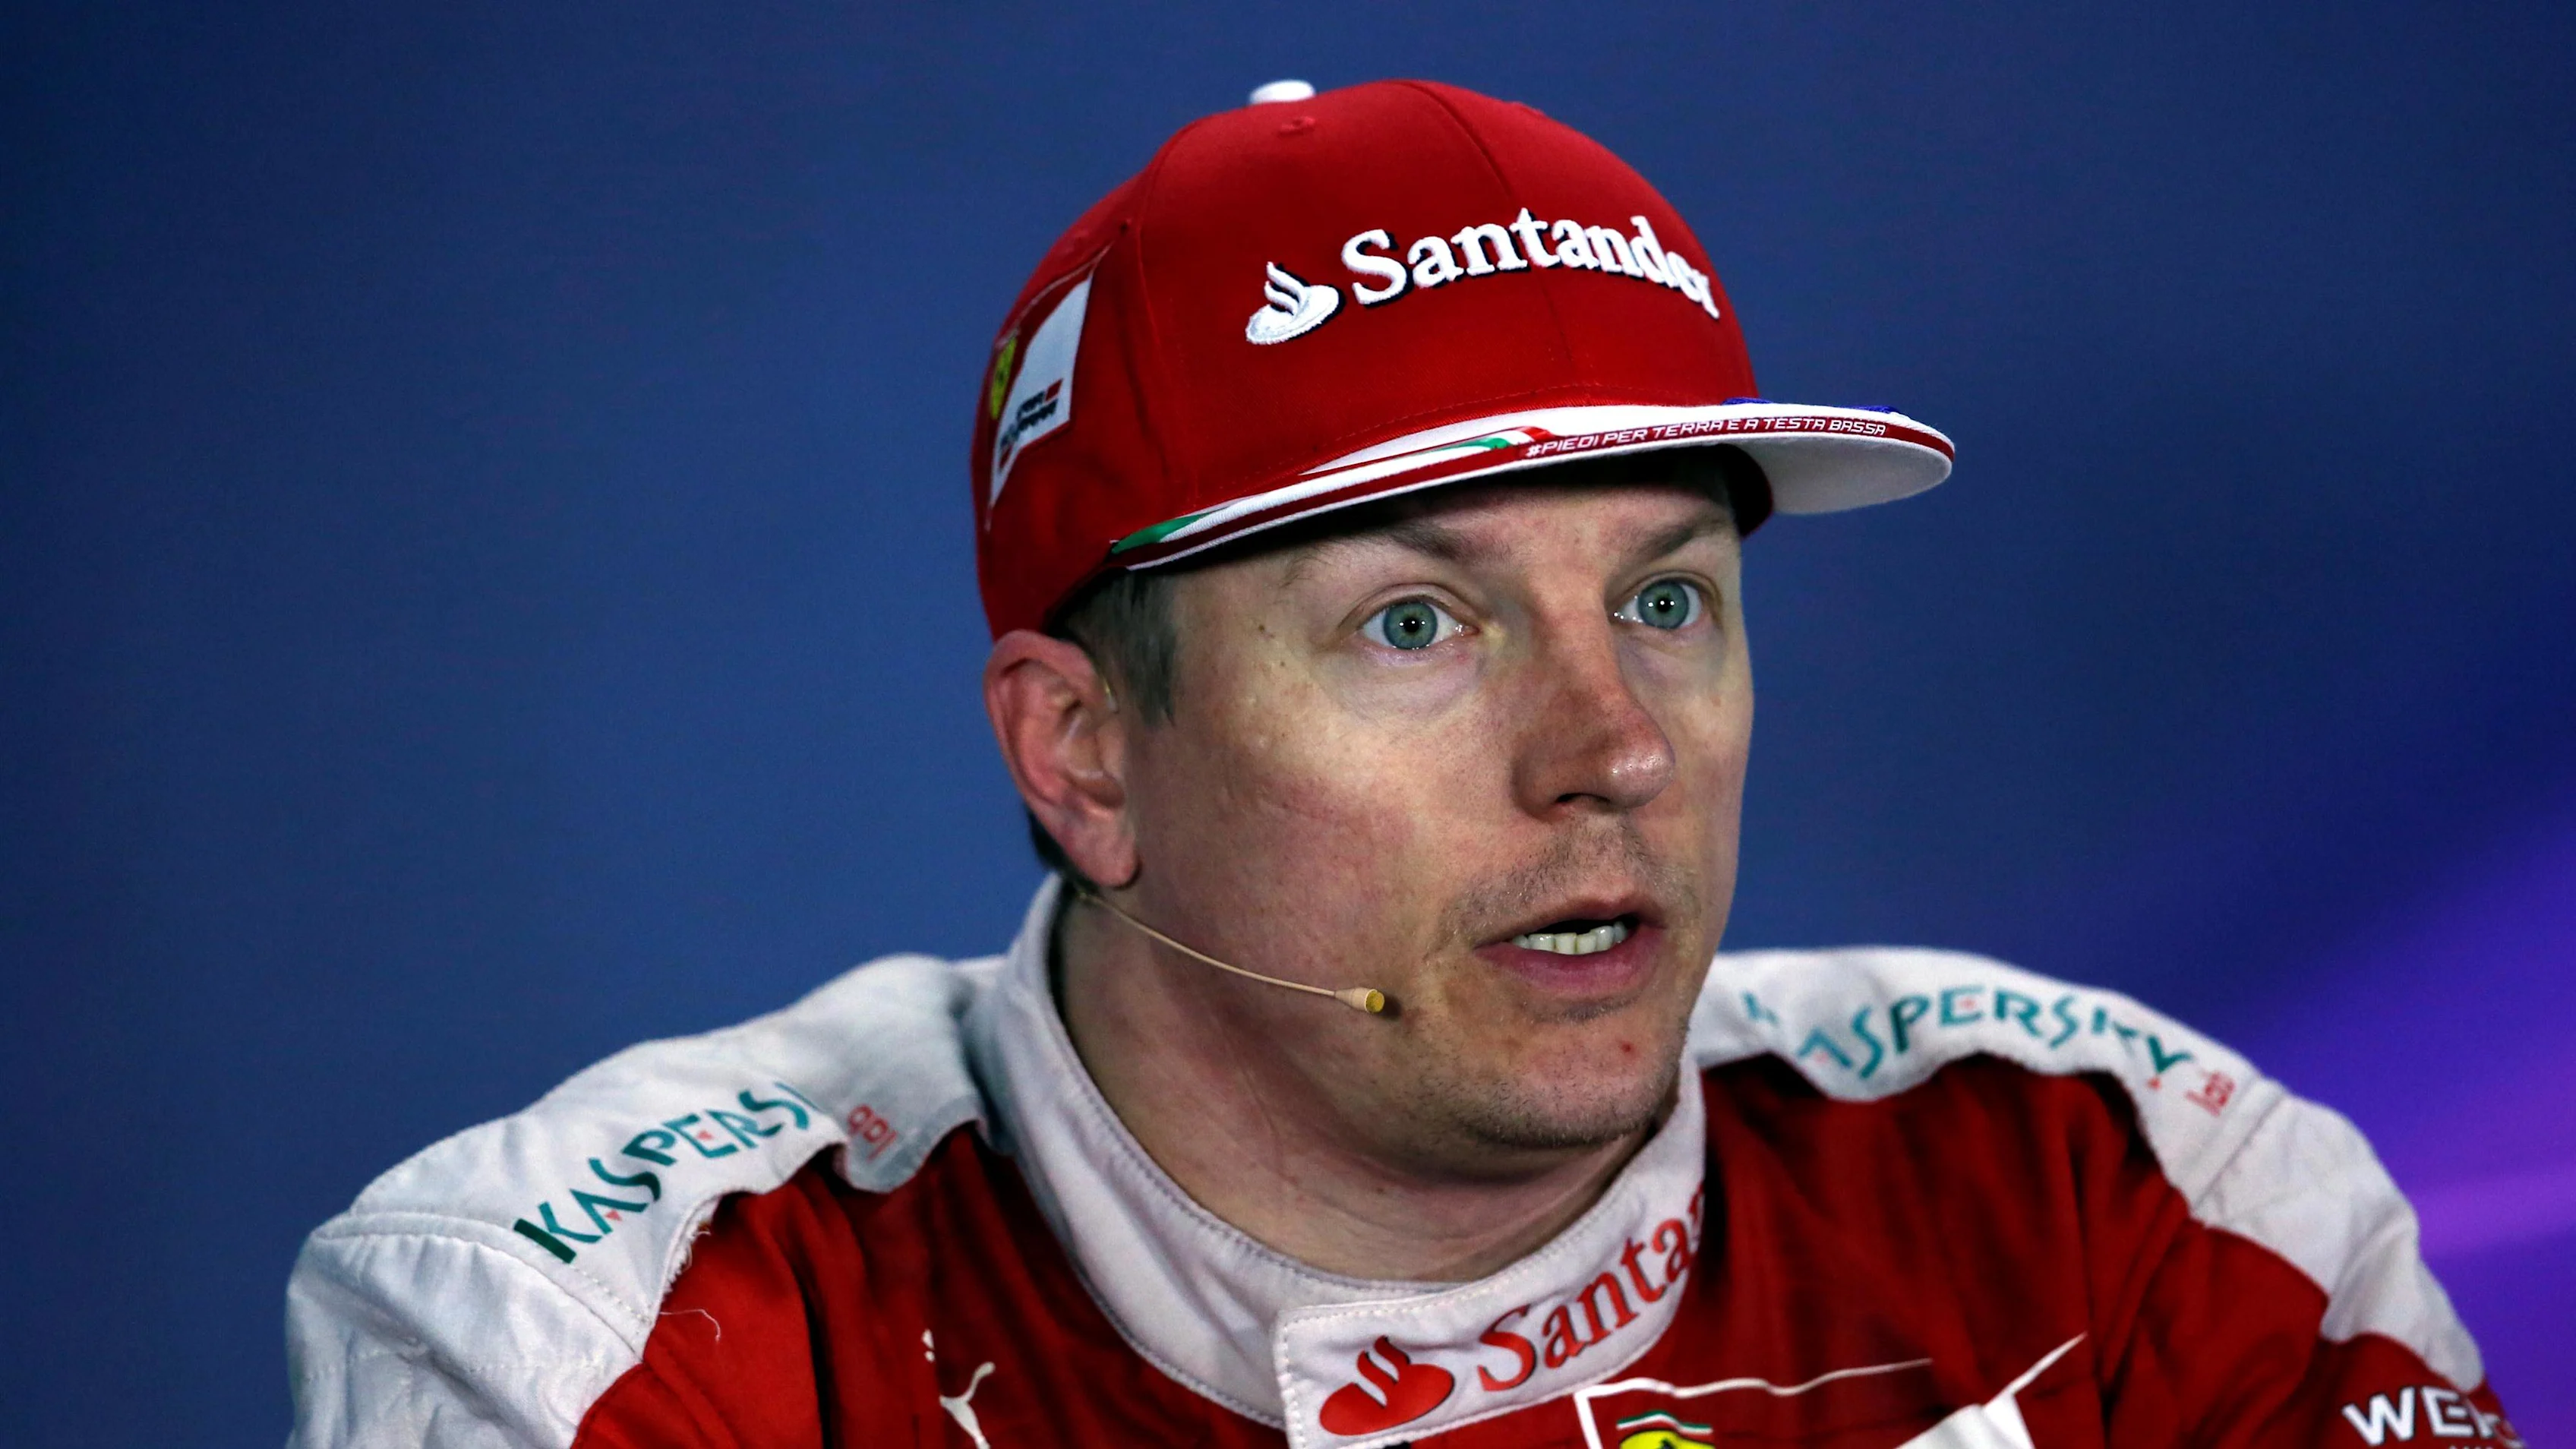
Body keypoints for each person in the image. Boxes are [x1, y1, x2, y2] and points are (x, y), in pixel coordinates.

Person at [284, 79, 2514, 1449]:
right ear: (1085, 754)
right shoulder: (593, 1332)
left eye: (1665, 596)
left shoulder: (2143, 1197)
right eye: (1417, 624)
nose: (1615, 745)